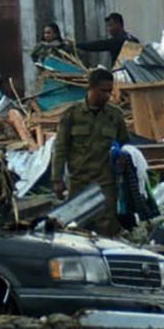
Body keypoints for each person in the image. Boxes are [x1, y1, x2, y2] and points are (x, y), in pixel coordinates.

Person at [52, 68, 129, 234]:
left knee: (107, 228)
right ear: (91, 88)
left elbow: (125, 145)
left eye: (110, 91)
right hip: (79, 181)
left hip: (106, 182)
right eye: (103, 91)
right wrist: (57, 179)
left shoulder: (115, 116)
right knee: (77, 227)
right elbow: (60, 148)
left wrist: (123, 160)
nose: (108, 95)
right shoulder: (72, 115)